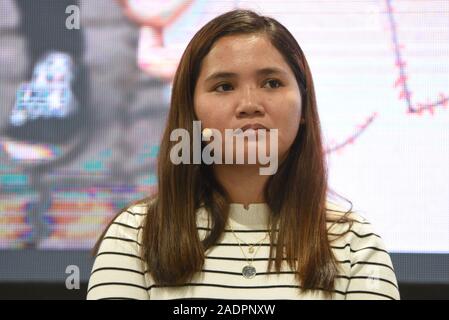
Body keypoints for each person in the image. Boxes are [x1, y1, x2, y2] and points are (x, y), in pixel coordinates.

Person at [87, 9, 400, 300]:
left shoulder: (355, 242)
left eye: (272, 83)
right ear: (191, 110)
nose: (250, 103)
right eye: (224, 86)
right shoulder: (134, 235)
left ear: (303, 105)